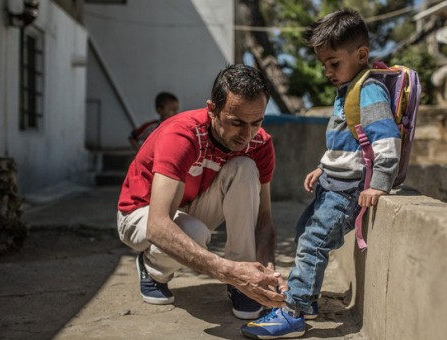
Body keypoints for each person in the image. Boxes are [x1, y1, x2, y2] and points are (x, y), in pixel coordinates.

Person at [240, 8, 402, 339]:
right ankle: (305, 298)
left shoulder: (368, 89)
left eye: (333, 63)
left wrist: (380, 184)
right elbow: (349, 144)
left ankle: (295, 311)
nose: (327, 71)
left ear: (360, 54)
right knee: (304, 232)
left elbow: (386, 140)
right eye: (323, 65)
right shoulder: (348, 88)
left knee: (313, 241)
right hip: (330, 185)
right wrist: (322, 167)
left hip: (346, 193)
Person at [116, 64, 286, 320]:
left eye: (256, 122)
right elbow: (158, 225)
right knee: (192, 231)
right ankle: (152, 269)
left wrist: (266, 271)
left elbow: (264, 219)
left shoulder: (259, 143)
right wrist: (225, 270)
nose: (246, 135)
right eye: (236, 122)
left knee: (245, 167)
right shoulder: (182, 134)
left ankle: (245, 275)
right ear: (212, 110)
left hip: (189, 207)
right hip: (140, 213)